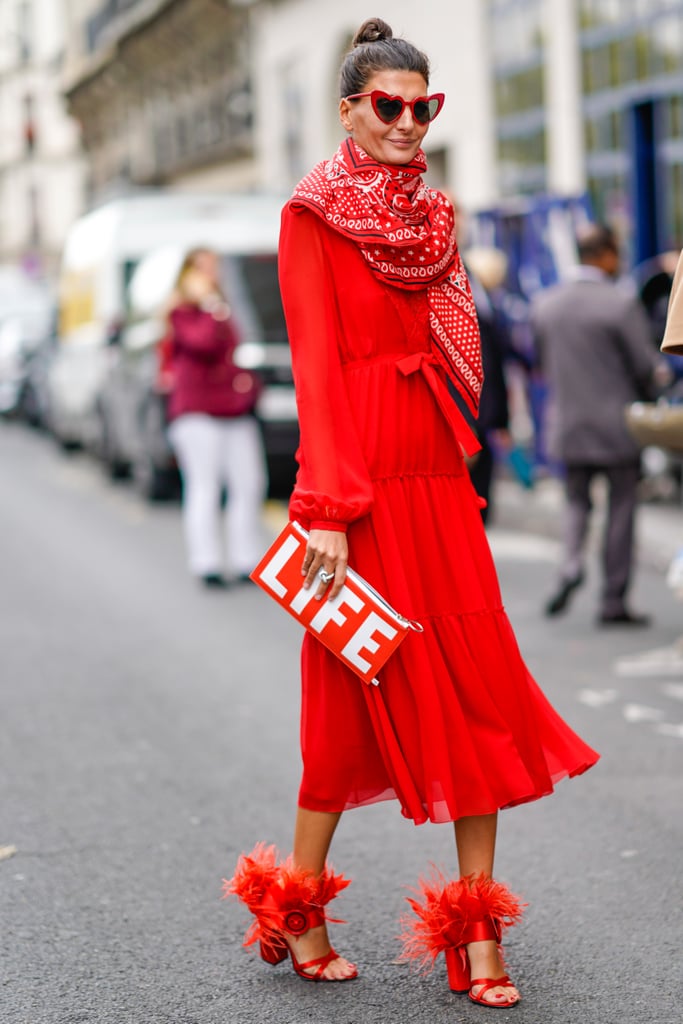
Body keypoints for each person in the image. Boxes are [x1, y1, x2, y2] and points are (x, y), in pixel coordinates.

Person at [225, 18, 599, 1007]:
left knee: (479, 695)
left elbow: (451, 354)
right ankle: (294, 904)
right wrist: (329, 511)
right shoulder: (310, 215)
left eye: (419, 106)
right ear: (349, 110)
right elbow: (315, 370)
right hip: (356, 489)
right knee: (345, 710)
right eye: (385, 105)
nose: (403, 121)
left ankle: (475, 935)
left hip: (434, 480)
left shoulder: (434, 218)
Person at [532, 224, 661, 625]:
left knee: (575, 502)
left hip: (568, 423)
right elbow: (644, 367)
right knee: (621, 509)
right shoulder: (619, 304)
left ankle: (570, 565)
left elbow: (540, 363)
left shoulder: (546, 304)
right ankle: (612, 600)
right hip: (616, 426)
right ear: (604, 255)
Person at [165, 248, 267, 588]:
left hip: (233, 409)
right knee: (204, 486)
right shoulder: (182, 312)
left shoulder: (220, 309)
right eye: (203, 268)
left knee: (249, 483)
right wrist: (209, 303)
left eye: (215, 267)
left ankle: (245, 559)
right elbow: (204, 344)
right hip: (198, 412)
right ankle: (206, 562)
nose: (212, 275)